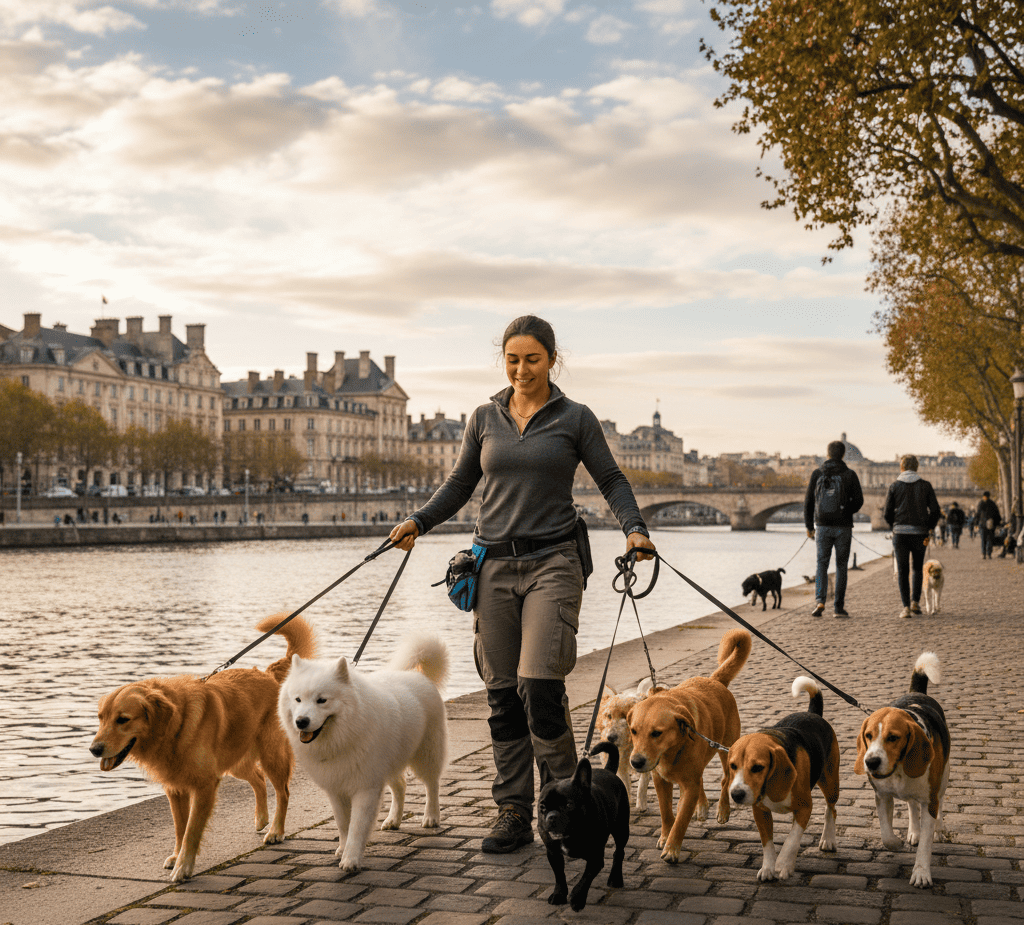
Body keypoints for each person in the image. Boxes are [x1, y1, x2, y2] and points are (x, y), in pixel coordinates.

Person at [389, 315, 656, 854]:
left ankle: (566, 799)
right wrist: (419, 520)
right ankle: (512, 808)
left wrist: (635, 530)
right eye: (512, 359)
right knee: (503, 694)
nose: (521, 369)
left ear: (551, 361)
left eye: (532, 359)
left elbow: (611, 479)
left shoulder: (576, 418)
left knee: (539, 686)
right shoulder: (484, 416)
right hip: (492, 566)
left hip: (553, 562)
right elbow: (462, 482)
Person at [803, 439, 864, 618]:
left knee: (821, 564)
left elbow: (808, 502)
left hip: (822, 525)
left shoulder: (817, 473)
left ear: (827, 454)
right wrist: (847, 511)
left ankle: (820, 601)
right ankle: (838, 607)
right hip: (843, 527)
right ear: (843, 455)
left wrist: (809, 526)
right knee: (841, 565)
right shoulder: (850, 474)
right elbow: (859, 501)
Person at [883, 455, 942, 618]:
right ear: (917, 468)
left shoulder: (894, 486)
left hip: (900, 534)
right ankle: (916, 602)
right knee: (917, 568)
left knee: (902, 570)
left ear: (901, 468)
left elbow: (887, 513)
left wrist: (894, 525)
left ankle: (906, 607)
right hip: (920, 533)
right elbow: (936, 511)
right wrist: (929, 527)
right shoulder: (926, 486)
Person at [976, 491, 1002, 559]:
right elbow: (997, 514)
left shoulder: (981, 503)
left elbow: (978, 514)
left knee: (983, 539)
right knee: (990, 539)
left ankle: (984, 553)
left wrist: (976, 523)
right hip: (991, 524)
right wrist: (997, 523)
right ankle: (989, 553)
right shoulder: (992, 503)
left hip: (983, 524)